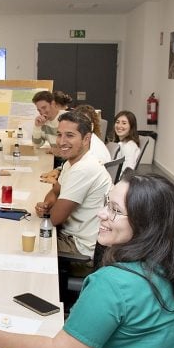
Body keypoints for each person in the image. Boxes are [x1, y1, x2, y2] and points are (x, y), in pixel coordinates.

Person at [0, 173, 174, 348]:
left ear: (147, 224)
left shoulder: (113, 283)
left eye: (115, 210)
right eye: (107, 203)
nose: (101, 213)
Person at [35, 111, 112, 259]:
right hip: (71, 237)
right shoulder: (71, 163)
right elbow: (54, 192)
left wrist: (48, 211)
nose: (61, 141)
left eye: (69, 135)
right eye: (59, 134)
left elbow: (54, 219)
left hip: (81, 249)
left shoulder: (84, 168)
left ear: (86, 139)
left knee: (23, 243)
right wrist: (46, 205)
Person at [31, 91, 63, 169]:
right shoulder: (44, 121)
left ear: (52, 103)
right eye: (39, 110)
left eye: (44, 107)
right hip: (57, 160)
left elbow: (78, 148)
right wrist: (37, 127)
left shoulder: (66, 118)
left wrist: (59, 151)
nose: (42, 112)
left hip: (68, 162)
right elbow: (37, 145)